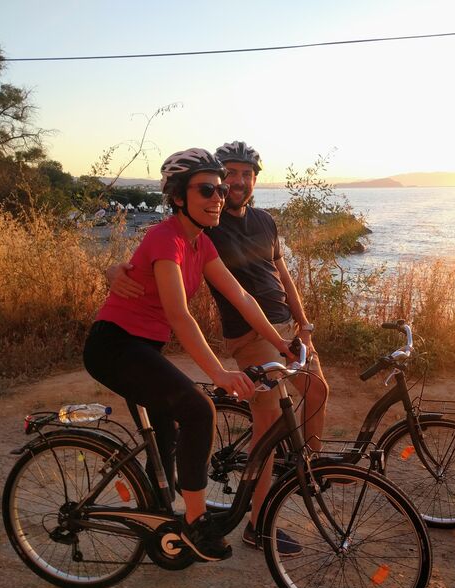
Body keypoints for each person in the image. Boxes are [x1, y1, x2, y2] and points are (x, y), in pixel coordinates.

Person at [107, 141, 329, 556]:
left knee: (170, 438)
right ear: (181, 196)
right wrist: (219, 374)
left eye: (224, 188)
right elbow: (178, 309)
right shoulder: (185, 231)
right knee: (208, 413)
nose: (222, 193)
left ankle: (166, 524)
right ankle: (210, 527)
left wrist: (291, 335)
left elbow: (249, 292)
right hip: (131, 344)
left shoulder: (216, 236)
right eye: (214, 186)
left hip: (159, 346)